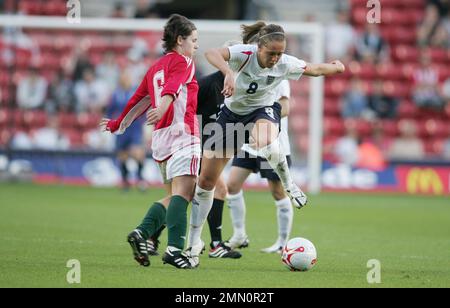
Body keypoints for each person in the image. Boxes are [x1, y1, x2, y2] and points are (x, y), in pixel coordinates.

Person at [186, 21, 345, 266]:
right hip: (230, 117)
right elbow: (211, 53)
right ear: (259, 48)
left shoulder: (284, 63)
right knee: (206, 182)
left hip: (263, 110)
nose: (275, 58)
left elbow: (314, 69)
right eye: (271, 53)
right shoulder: (244, 54)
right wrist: (228, 71)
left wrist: (336, 67)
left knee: (266, 139)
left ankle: (289, 184)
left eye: (279, 53)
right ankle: (193, 244)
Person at [101, 14, 199, 269]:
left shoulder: (155, 67)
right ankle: (175, 250)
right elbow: (173, 88)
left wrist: (117, 124)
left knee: (172, 196)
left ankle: (142, 233)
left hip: (160, 139)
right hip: (182, 133)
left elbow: (138, 100)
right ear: (180, 40)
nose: (196, 46)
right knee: (185, 193)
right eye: (194, 40)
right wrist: (164, 105)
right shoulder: (184, 61)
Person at [226, 79, 293, 254]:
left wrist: (262, 115)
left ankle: (282, 242)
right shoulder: (250, 72)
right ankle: (239, 235)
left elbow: (285, 108)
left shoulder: (280, 76)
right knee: (232, 185)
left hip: (272, 143)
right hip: (249, 143)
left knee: (278, 192)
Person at [106, 72, 147, 191]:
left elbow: (143, 107)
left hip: (134, 128)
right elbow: (109, 111)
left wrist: (142, 120)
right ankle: (125, 180)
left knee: (137, 153)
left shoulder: (136, 92)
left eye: (128, 78)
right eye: (124, 78)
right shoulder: (115, 94)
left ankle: (140, 179)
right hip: (121, 129)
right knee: (122, 156)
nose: (126, 80)